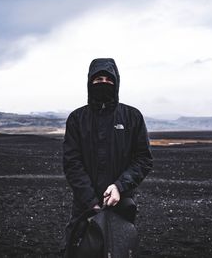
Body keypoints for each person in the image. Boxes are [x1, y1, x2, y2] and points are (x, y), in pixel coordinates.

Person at [62, 58, 153, 253]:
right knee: (80, 250)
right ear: (89, 83)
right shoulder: (77, 119)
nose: (103, 83)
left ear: (116, 82)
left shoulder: (132, 117)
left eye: (108, 79)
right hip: (84, 206)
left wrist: (119, 186)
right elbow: (71, 162)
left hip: (121, 204)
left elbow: (143, 159)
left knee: (117, 250)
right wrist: (91, 201)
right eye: (98, 79)